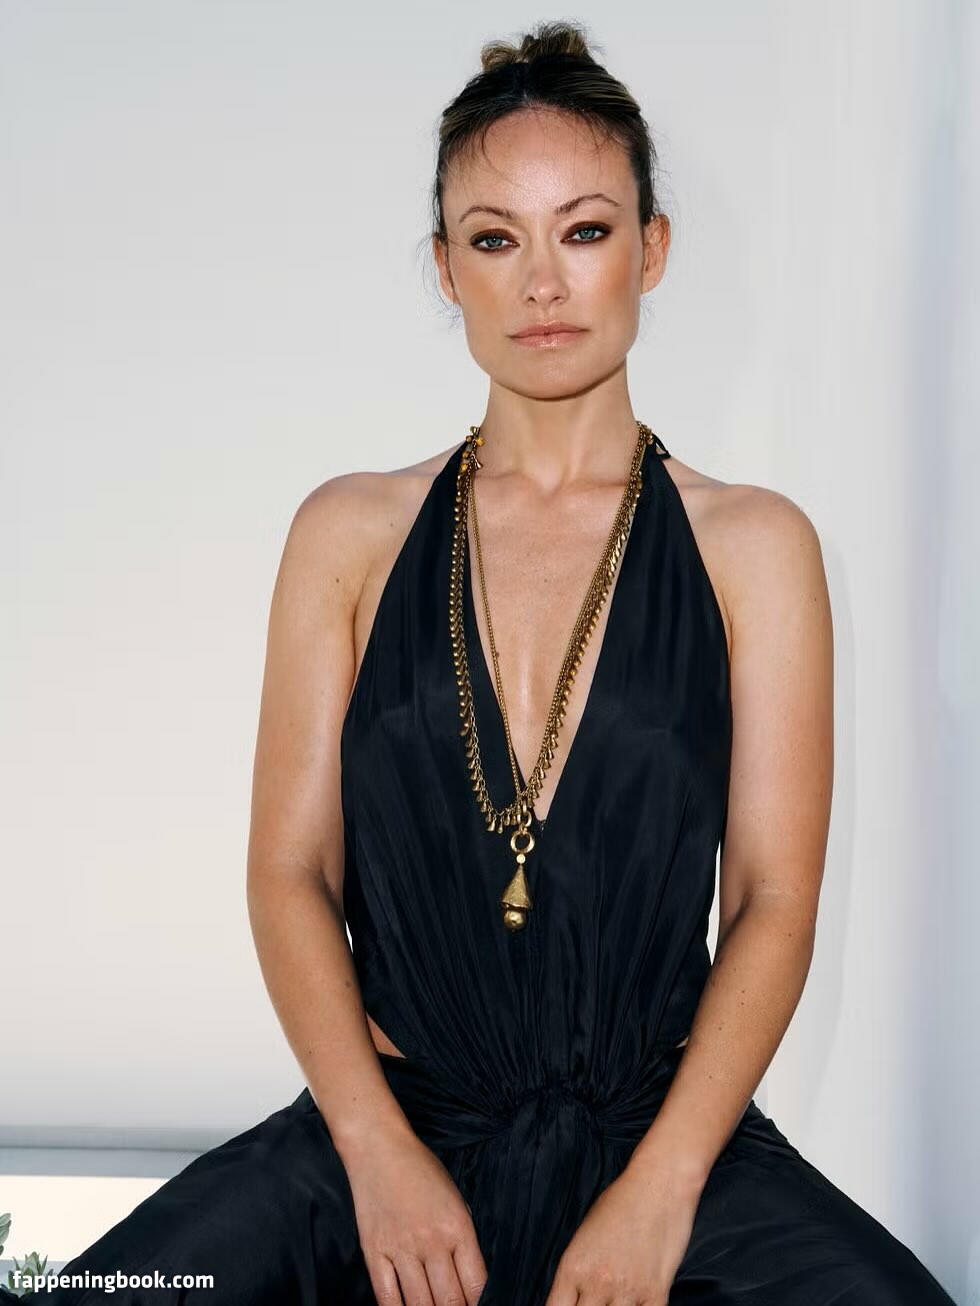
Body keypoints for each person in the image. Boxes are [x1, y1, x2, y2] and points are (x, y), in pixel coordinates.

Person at [10, 20, 958, 1306]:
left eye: (584, 230)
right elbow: (288, 873)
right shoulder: (348, 533)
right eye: (495, 239)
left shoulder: (754, 548)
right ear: (446, 268)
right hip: (383, 1129)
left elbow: (773, 902)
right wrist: (371, 1148)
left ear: (650, 250)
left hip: (661, 1140)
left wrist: (662, 1188)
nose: (542, 284)